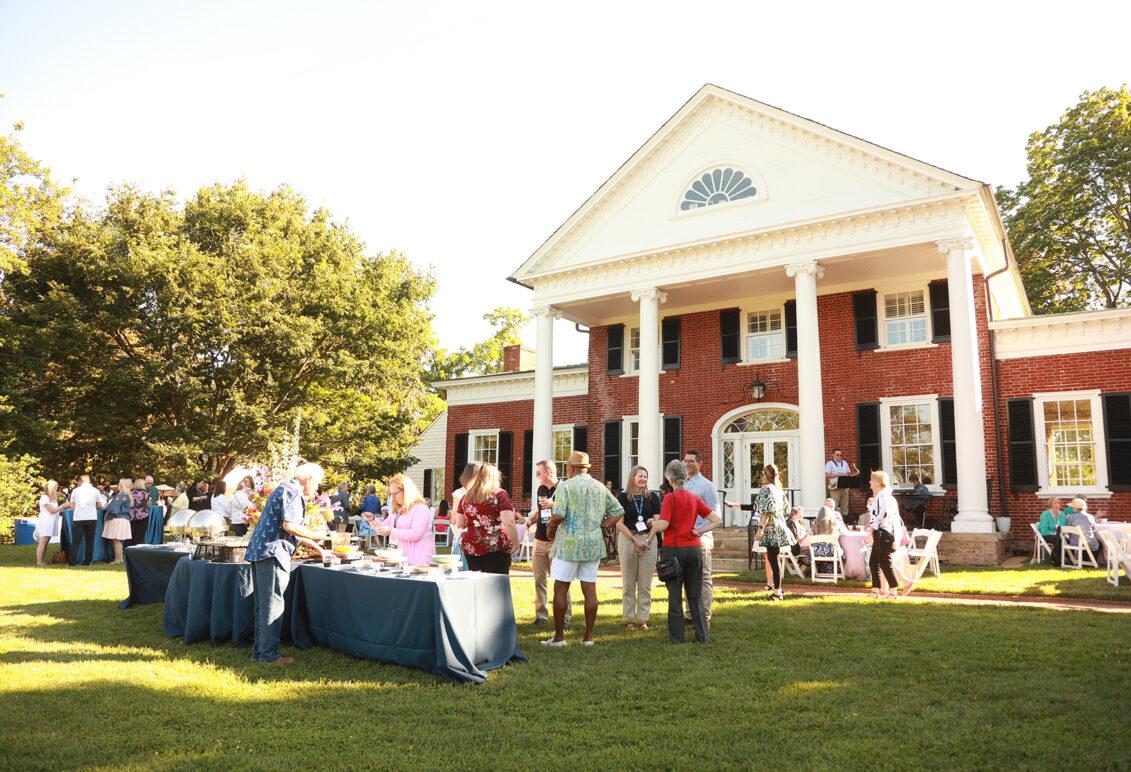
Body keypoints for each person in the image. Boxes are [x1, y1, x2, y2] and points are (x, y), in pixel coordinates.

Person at [244, 462, 329, 664]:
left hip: (261, 551)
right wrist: (318, 535)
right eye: (317, 483)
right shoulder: (293, 492)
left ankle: (260, 652)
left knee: (263, 606)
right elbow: (290, 526)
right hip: (273, 553)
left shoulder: (284, 488)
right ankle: (268, 656)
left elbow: (288, 529)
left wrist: (318, 549)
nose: (317, 489)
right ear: (308, 479)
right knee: (272, 605)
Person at [542, 452, 623, 647]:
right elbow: (619, 511)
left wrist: (550, 529)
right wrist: (603, 525)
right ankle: (588, 638)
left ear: (571, 468)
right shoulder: (599, 487)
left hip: (568, 543)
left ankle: (559, 638)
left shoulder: (566, 486)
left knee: (560, 588)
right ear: (586, 468)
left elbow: (558, 514)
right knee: (590, 589)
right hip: (593, 544)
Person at [649, 459, 719, 643]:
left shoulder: (669, 498)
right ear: (685, 478)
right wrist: (699, 530)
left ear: (670, 479)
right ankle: (703, 636)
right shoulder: (695, 498)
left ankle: (677, 637)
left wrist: (651, 523)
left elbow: (663, 525)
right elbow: (716, 519)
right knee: (695, 593)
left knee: (674, 594)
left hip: (674, 549)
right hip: (694, 548)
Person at [615, 465, 662, 630]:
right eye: (640, 476)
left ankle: (643, 619)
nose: (643, 479)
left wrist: (647, 541)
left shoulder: (653, 498)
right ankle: (630, 619)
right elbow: (618, 523)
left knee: (645, 583)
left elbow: (657, 522)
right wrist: (635, 540)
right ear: (632, 478)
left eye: (645, 476)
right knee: (628, 583)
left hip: (649, 541)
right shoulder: (622, 497)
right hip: (628, 540)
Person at [526, 459, 571, 629]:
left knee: (561, 580)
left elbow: (571, 510)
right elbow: (540, 510)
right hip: (539, 540)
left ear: (549, 473)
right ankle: (541, 616)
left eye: (539, 473)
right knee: (539, 580)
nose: (536, 476)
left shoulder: (565, 489)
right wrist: (531, 520)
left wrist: (555, 504)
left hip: (557, 540)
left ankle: (565, 618)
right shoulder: (541, 489)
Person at [454, 463, 518, 575]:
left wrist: (475, 521)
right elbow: (509, 522)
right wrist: (515, 543)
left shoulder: (466, 497)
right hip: (495, 545)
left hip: (472, 545)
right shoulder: (499, 494)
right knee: (496, 584)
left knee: (477, 584)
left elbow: (459, 523)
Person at [682, 450, 719, 627]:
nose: (688, 464)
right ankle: (690, 615)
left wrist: (700, 530)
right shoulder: (682, 485)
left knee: (703, 578)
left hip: (702, 538)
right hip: (684, 539)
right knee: (688, 578)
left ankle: (705, 616)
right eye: (686, 461)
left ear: (700, 463)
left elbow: (715, 514)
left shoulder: (707, 486)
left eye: (691, 461)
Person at [372, 473, 436, 565]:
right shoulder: (397, 509)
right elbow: (384, 529)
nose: (393, 498)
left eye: (395, 494)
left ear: (405, 491)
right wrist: (372, 520)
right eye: (391, 494)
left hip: (419, 559)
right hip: (402, 559)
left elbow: (416, 534)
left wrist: (392, 531)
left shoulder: (421, 508)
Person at [755, 464, 795, 600]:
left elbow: (765, 511)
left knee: (773, 561)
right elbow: (787, 510)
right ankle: (778, 591)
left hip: (770, 529)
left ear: (764, 475)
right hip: (780, 527)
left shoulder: (766, 489)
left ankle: (778, 592)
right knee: (775, 560)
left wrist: (760, 530)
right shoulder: (779, 490)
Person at [866, 470, 903, 598]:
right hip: (882, 532)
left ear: (878, 482)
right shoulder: (883, 495)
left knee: (885, 562)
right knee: (873, 562)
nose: (870, 482)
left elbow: (883, 514)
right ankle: (875, 591)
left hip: (882, 532)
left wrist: (871, 530)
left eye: (872, 479)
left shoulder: (883, 496)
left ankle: (893, 591)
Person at [68, 475, 106, 566]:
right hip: (91, 517)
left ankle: (72, 561)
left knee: (76, 541)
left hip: (79, 518)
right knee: (90, 541)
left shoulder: (75, 491)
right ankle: (88, 561)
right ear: (89, 481)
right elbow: (100, 506)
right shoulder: (95, 491)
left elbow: (72, 507)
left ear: (80, 482)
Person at [35, 480, 68, 567]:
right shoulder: (45, 498)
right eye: (56, 487)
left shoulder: (51, 498)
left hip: (51, 521)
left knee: (46, 541)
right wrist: (63, 505)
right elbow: (52, 511)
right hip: (46, 522)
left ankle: (42, 559)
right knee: (43, 542)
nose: (58, 489)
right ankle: (39, 561)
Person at [102, 479, 134, 564]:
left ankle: (117, 559)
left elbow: (114, 507)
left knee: (117, 540)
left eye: (119, 484)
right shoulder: (126, 494)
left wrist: (106, 507)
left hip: (119, 518)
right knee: (118, 540)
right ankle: (119, 559)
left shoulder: (122, 494)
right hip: (122, 519)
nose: (118, 486)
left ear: (122, 486)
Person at [1064, 497, 1101, 564]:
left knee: (1070, 539)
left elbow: (1069, 531)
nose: (1072, 508)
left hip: (1075, 542)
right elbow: (1094, 529)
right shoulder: (1090, 517)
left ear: (1076, 508)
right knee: (1099, 543)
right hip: (1088, 542)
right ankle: (1092, 561)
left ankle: (1081, 560)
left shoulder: (1071, 517)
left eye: (1073, 507)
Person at [824, 448, 859, 518]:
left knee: (845, 506)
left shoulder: (844, 462)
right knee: (834, 505)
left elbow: (849, 473)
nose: (839, 456)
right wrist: (839, 475)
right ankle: (833, 519)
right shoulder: (829, 463)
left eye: (840, 455)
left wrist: (847, 474)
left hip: (845, 486)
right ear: (833, 455)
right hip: (835, 487)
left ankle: (845, 520)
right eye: (837, 455)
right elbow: (827, 475)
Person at [810, 506, 846, 572]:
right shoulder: (833, 522)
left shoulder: (814, 522)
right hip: (831, 551)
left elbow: (811, 533)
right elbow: (844, 532)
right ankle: (837, 571)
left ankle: (820, 571)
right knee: (843, 553)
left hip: (816, 551)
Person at [1038, 497, 1067, 566]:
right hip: (1046, 535)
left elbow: (1065, 526)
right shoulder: (1045, 514)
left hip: (1059, 535)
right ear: (1051, 505)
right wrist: (1052, 533)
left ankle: (1068, 557)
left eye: (1058, 504)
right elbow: (1043, 529)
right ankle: (1058, 559)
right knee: (1058, 538)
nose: (1057, 505)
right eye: (1055, 504)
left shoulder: (1062, 514)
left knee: (1067, 538)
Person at [787, 506, 812, 576]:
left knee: (810, 549)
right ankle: (801, 571)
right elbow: (795, 540)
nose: (802, 515)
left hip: (797, 546)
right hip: (792, 548)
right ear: (794, 514)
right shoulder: (791, 523)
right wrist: (806, 534)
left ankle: (800, 571)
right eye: (800, 513)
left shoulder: (797, 522)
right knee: (811, 552)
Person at [127, 477, 151, 547]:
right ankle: (137, 552)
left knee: (130, 536)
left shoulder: (130, 493)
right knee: (140, 536)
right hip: (143, 516)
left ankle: (128, 551)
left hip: (131, 516)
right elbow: (148, 503)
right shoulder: (146, 493)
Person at [357, 485, 383, 549]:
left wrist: (359, 503)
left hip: (366, 516)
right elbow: (379, 509)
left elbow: (362, 507)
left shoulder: (366, 498)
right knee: (375, 533)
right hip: (373, 517)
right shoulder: (377, 499)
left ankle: (368, 548)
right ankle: (379, 547)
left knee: (366, 533)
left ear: (368, 491)